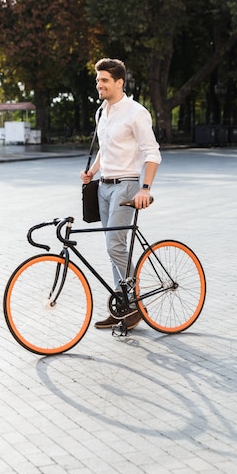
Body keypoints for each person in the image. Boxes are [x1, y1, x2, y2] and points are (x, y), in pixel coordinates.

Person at [80, 58, 161, 330]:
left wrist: (145, 188)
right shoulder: (102, 112)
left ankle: (135, 303)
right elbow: (106, 148)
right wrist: (92, 172)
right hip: (103, 186)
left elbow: (152, 153)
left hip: (127, 185)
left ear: (119, 83)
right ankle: (123, 305)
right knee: (112, 247)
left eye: (104, 80)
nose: (99, 84)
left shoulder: (136, 113)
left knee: (115, 245)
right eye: (97, 80)